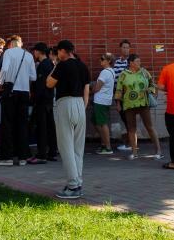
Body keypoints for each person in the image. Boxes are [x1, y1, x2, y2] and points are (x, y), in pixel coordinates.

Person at [46, 40, 90, 199]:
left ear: (63, 51)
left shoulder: (62, 65)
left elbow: (49, 83)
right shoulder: (83, 66)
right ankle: (77, 182)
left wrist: (55, 65)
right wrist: (82, 107)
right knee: (78, 148)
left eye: (58, 52)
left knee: (66, 147)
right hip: (80, 104)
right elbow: (86, 91)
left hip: (65, 104)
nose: (57, 54)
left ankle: (72, 186)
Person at [0, 35, 37, 166]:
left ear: (11, 43)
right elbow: (33, 77)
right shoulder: (29, 56)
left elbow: (5, 69)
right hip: (24, 92)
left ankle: (7, 157)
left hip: (10, 90)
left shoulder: (8, 53)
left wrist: (0, 83)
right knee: (22, 124)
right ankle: (22, 157)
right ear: (21, 43)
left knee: (7, 124)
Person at [114, 54, 163, 160]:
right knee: (131, 129)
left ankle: (158, 151)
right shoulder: (123, 74)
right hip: (128, 104)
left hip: (143, 103)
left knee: (149, 127)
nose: (139, 63)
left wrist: (149, 90)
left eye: (139, 61)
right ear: (131, 63)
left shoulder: (144, 72)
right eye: (137, 61)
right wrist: (118, 104)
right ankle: (134, 152)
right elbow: (119, 90)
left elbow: (152, 84)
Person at [30, 43, 58, 162]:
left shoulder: (43, 65)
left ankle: (42, 154)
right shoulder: (50, 64)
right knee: (50, 127)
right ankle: (52, 152)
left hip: (42, 101)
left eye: (35, 51)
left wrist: (34, 99)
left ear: (39, 51)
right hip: (49, 100)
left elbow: (41, 86)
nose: (34, 53)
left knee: (42, 128)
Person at [91, 53, 116, 155]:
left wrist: (90, 90)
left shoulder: (105, 72)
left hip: (101, 101)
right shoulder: (111, 71)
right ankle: (104, 143)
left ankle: (108, 147)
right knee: (96, 121)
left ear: (109, 61)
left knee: (102, 123)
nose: (100, 60)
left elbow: (97, 88)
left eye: (103, 59)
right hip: (105, 100)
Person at [113, 39, 133, 151]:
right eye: (124, 47)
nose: (126, 49)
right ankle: (131, 142)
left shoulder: (131, 62)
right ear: (120, 49)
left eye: (127, 47)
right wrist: (117, 102)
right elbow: (116, 83)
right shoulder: (116, 62)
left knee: (129, 119)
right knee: (125, 119)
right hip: (119, 96)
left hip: (130, 96)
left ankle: (131, 144)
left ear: (130, 49)